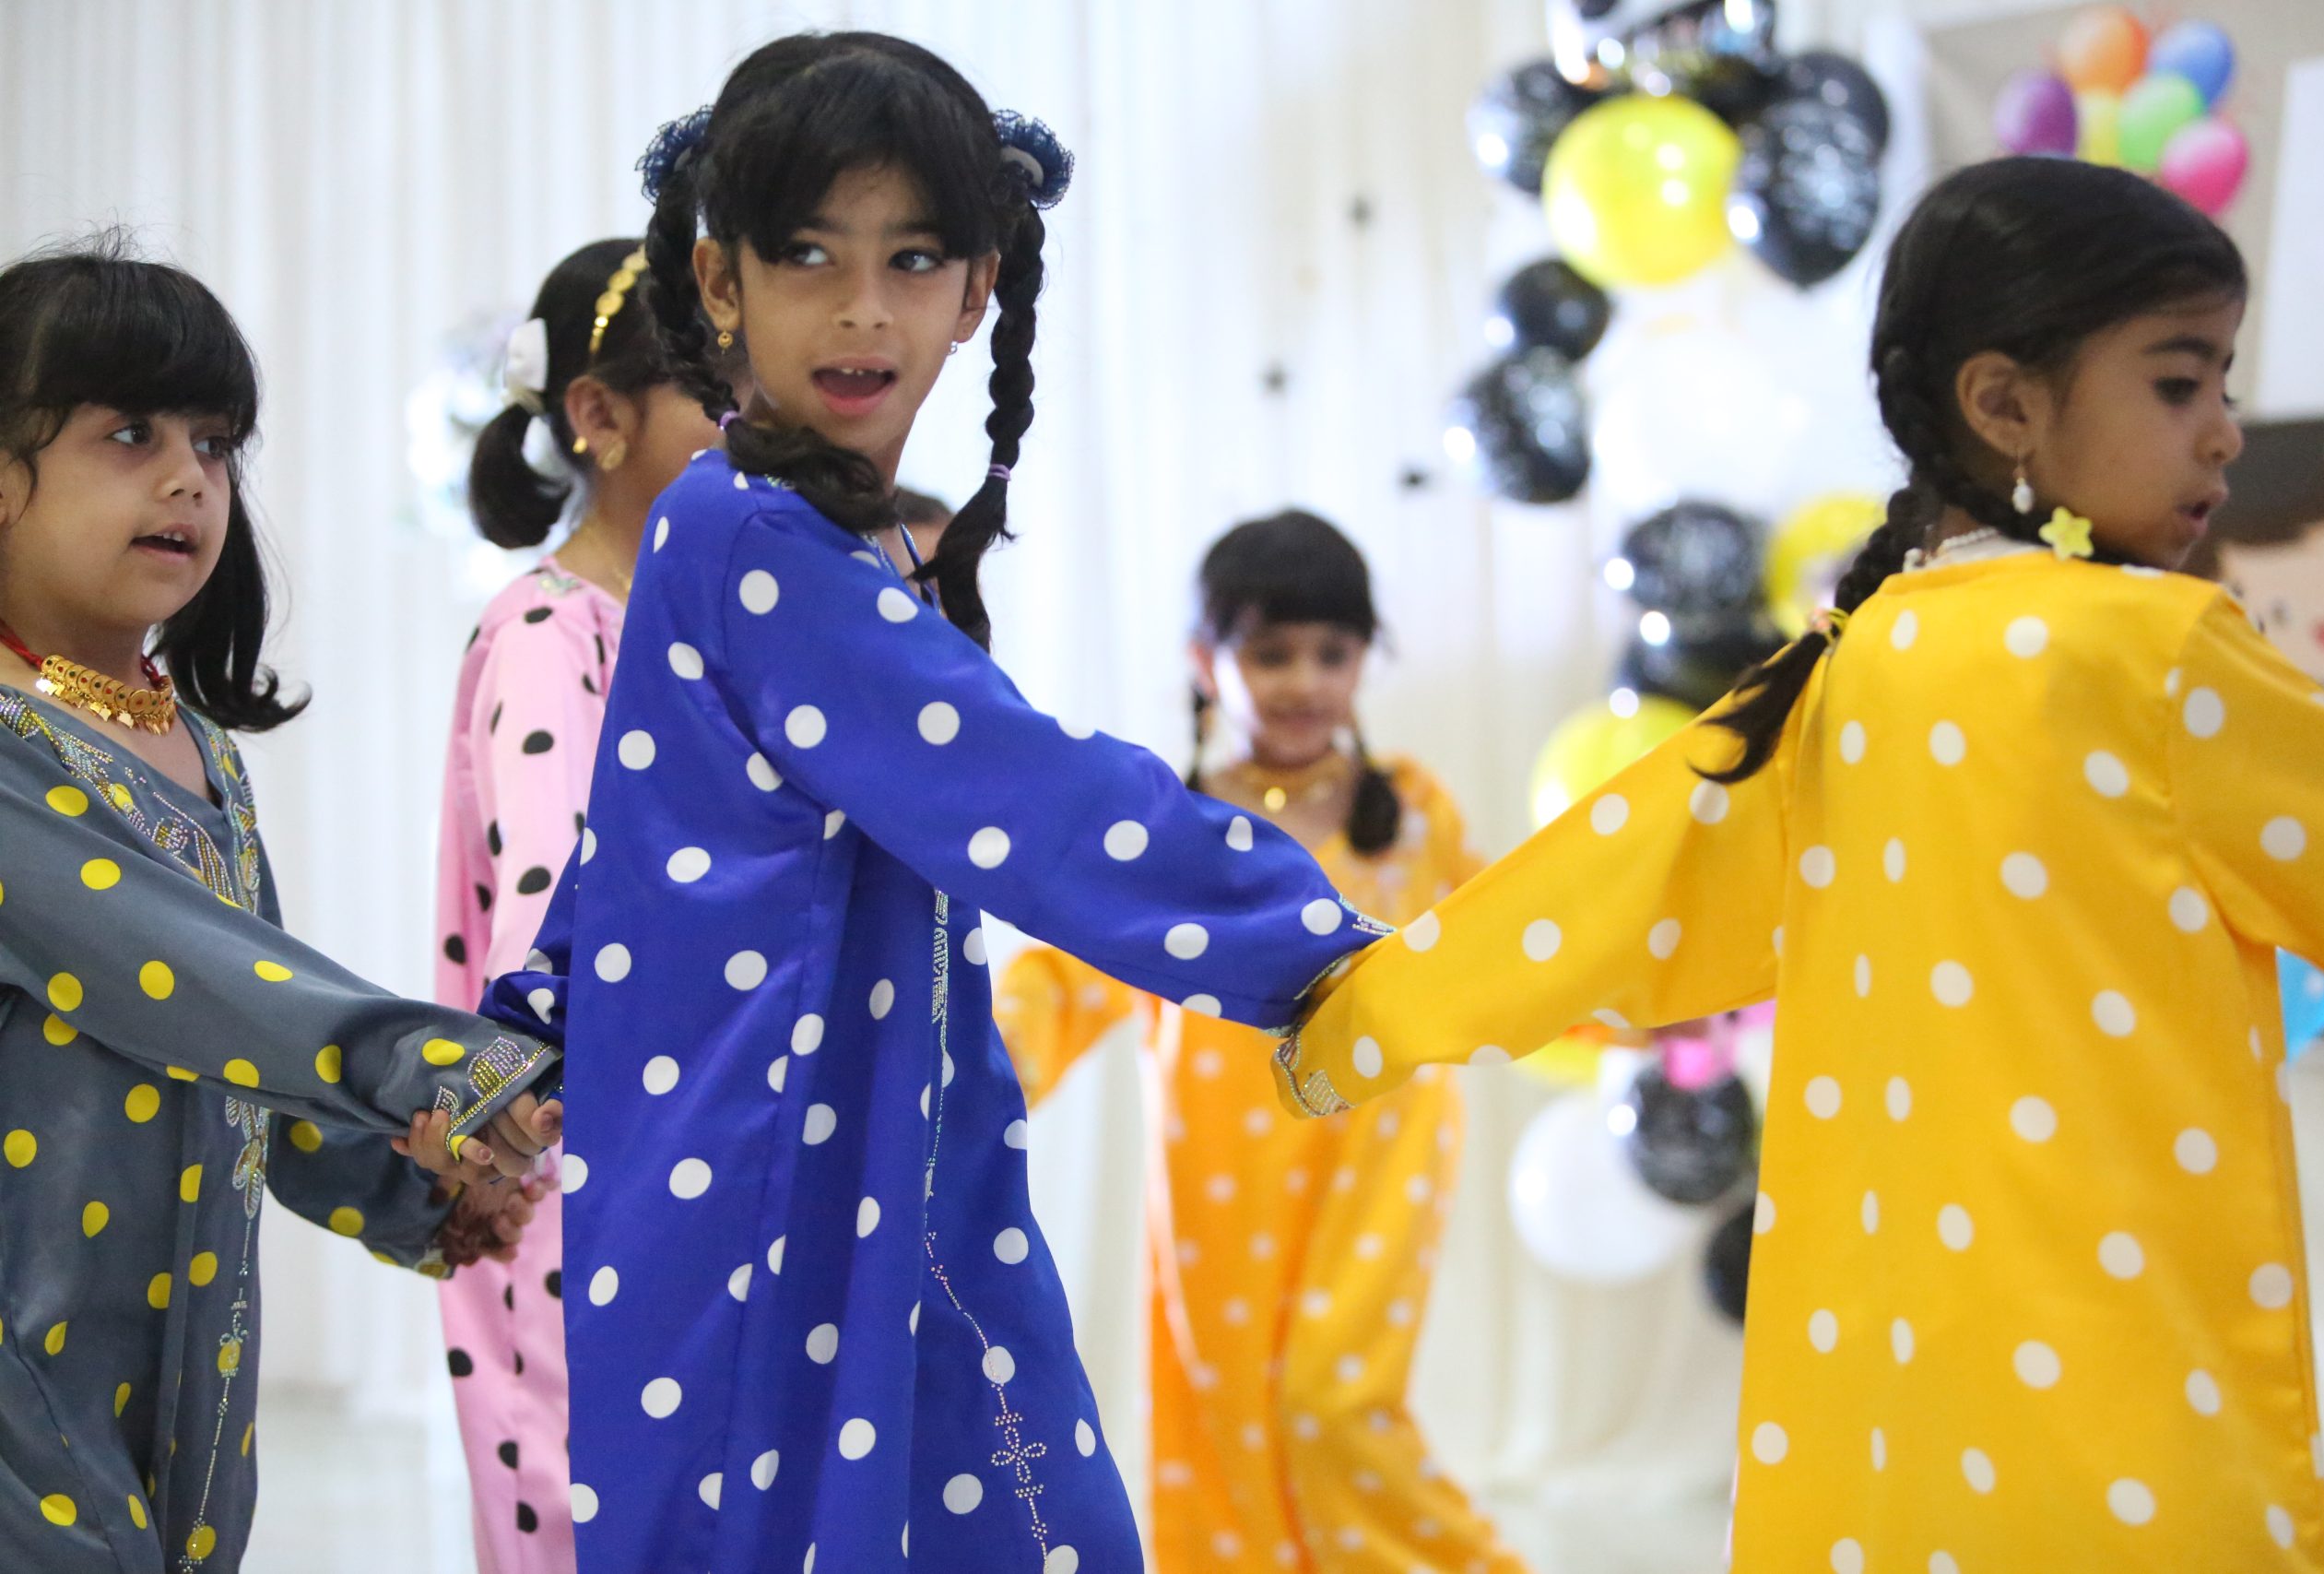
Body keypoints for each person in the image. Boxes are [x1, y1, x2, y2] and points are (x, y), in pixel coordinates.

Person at [1282, 156, 2324, 1569]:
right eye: (2179, 381)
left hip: (1886, 1380)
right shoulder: (2158, 656)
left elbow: (1596, 892)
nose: (2224, 432)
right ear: (2004, 402)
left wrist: (1362, 1019)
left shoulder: (1848, 669)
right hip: (2125, 1379)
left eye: (2221, 384)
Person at [478, 34, 1380, 1574]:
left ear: (977, 290)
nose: (862, 309)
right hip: (779, 1169)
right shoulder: (755, 537)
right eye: (808, 255)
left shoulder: (799, 536)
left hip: (869, 1138)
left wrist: (536, 1015)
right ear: (720, 281)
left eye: (911, 259)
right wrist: (1320, 943)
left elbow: (635, 843)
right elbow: (1029, 796)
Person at [0, 238, 555, 1573]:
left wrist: (411, 1190)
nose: (189, 477)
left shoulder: (197, 747)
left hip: (187, 1379)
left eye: (215, 442)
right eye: (129, 434)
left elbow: (233, 1046)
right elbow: (195, 975)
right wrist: (443, 1063)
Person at [997, 509, 1528, 1572]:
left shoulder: (1409, 811)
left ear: (1365, 660)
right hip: (1215, 1168)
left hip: (1380, 1150)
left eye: (1332, 652)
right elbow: (1058, 980)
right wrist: (971, 1082)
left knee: (1332, 1402)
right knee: (1225, 1412)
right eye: (1270, 652)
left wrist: (1642, 1007)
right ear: (1205, 662)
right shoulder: (1166, 831)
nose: (1303, 681)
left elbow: (1508, 948)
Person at [433, 235, 721, 1573]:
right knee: (598, 1518)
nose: (749, 420)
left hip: (689, 1167)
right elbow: (552, 927)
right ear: (598, 414)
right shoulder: (555, 632)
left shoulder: (699, 627)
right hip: (580, 1183)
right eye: (712, 390)